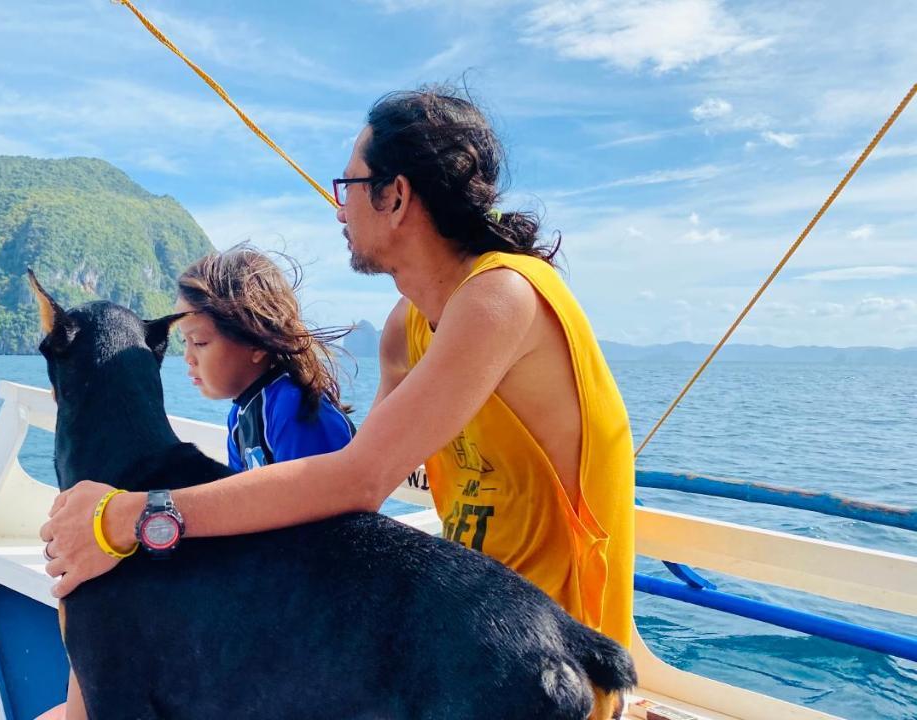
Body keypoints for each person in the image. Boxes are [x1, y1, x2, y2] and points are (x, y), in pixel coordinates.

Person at [39, 86, 636, 661]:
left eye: (347, 185)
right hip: (472, 638)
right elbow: (357, 471)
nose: (337, 205)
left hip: (555, 656)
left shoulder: (500, 296)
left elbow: (359, 478)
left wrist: (136, 515)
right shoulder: (410, 324)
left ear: (395, 196)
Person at [46, 246, 355, 720]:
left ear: (256, 342)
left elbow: (329, 525)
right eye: (184, 345)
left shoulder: (293, 409)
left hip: (313, 607)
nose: (188, 359)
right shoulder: (245, 413)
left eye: (200, 343)